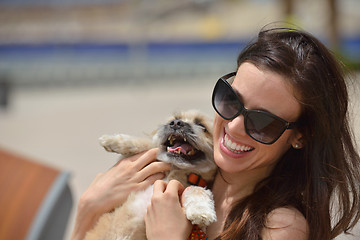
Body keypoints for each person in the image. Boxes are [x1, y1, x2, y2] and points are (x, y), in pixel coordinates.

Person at [70, 27, 360, 240]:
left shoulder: (279, 228)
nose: (233, 126)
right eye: (231, 101)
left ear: (301, 135)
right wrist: (87, 211)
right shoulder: (187, 176)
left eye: (262, 121)